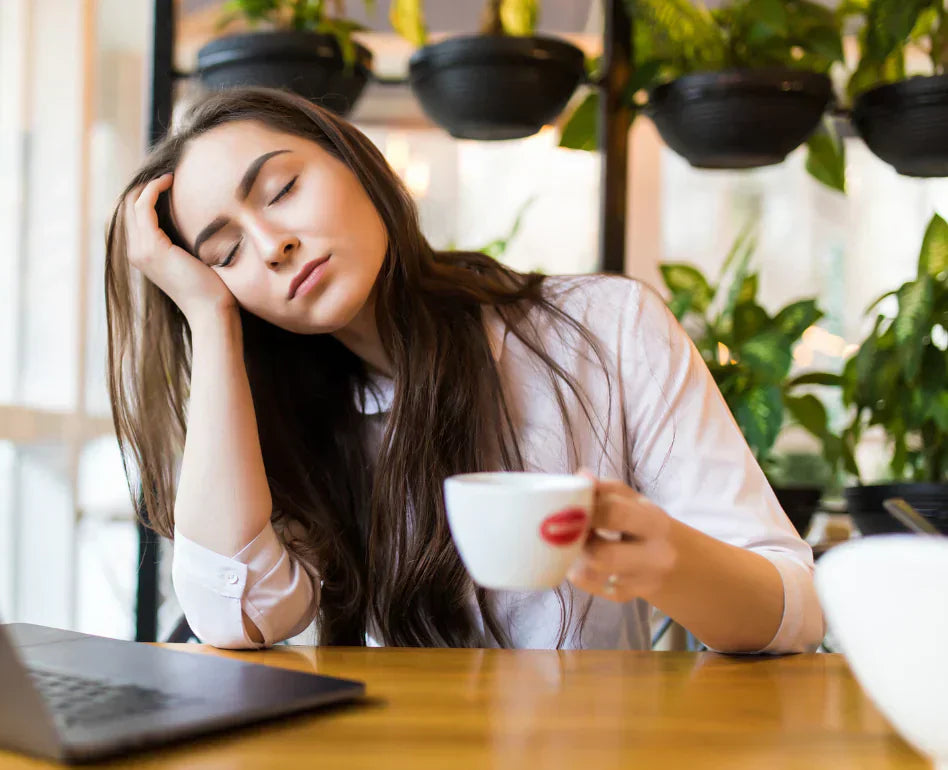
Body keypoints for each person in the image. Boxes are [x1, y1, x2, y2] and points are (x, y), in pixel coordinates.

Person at [103, 87, 822, 653]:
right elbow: (236, 616)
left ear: (359, 162)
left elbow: (794, 610)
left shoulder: (606, 329)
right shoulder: (285, 424)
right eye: (225, 254)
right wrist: (209, 318)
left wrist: (671, 560)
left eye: (283, 189)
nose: (272, 244)